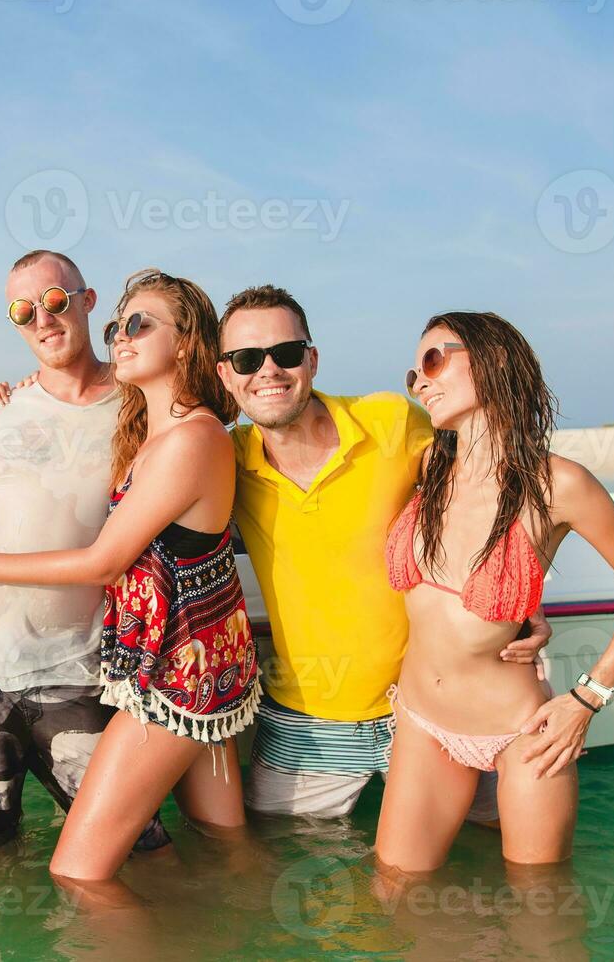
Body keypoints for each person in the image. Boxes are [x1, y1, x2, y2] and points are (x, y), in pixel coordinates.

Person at [0, 268, 261, 885]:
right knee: (217, 849)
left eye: (57, 302)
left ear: (187, 340)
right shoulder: (142, 423)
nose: (122, 336)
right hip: (161, 668)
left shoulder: (184, 435)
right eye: (121, 326)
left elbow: (108, 559)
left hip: (165, 675)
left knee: (88, 872)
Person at [213, 285, 552, 825]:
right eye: (247, 359)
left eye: (287, 353)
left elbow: (483, 497)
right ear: (226, 374)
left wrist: (528, 598)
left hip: (432, 710)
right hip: (304, 726)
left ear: (312, 360)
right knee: (275, 871)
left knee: (494, 850)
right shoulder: (223, 460)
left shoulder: (393, 421)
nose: (268, 370)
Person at [374, 311, 614, 874]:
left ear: (495, 362)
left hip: (521, 729)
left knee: (541, 910)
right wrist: (526, 604)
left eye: (435, 359)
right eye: (413, 374)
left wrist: (587, 700)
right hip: (421, 717)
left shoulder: (559, 484)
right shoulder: (430, 465)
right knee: (396, 893)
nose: (421, 382)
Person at [0, 250, 169, 854]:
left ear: (87, 300)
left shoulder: (140, 406)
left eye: (53, 300)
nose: (42, 320)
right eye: (23, 311)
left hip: (79, 672)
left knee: (132, 847)